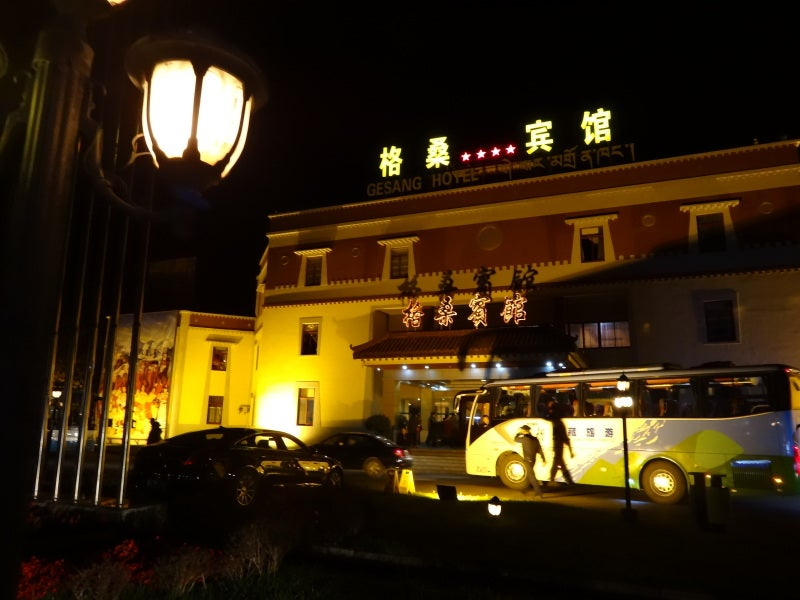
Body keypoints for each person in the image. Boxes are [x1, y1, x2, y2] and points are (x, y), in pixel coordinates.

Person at [545, 400, 574, 486]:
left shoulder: (554, 421)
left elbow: (546, 415)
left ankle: (568, 480)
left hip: (556, 444)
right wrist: (570, 450)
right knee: (558, 462)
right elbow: (565, 438)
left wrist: (550, 407)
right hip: (559, 445)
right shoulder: (559, 423)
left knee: (559, 462)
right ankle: (555, 480)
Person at [514, 424, 545, 498]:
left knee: (531, 476)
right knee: (528, 474)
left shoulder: (525, 439)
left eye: (522, 429)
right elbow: (540, 450)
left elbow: (515, 439)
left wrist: (518, 433)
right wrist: (544, 459)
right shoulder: (535, 439)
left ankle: (539, 493)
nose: (521, 430)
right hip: (533, 460)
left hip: (528, 460)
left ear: (524, 431)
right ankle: (525, 489)